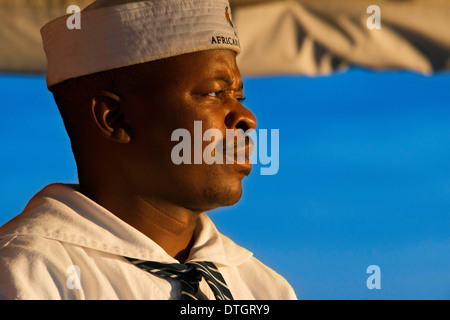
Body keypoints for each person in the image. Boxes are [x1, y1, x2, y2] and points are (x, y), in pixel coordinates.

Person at [0, 0, 297, 300]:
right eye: (214, 93)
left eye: (239, 96)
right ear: (116, 118)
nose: (247, 118)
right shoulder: (26, 275)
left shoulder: (263, 288)